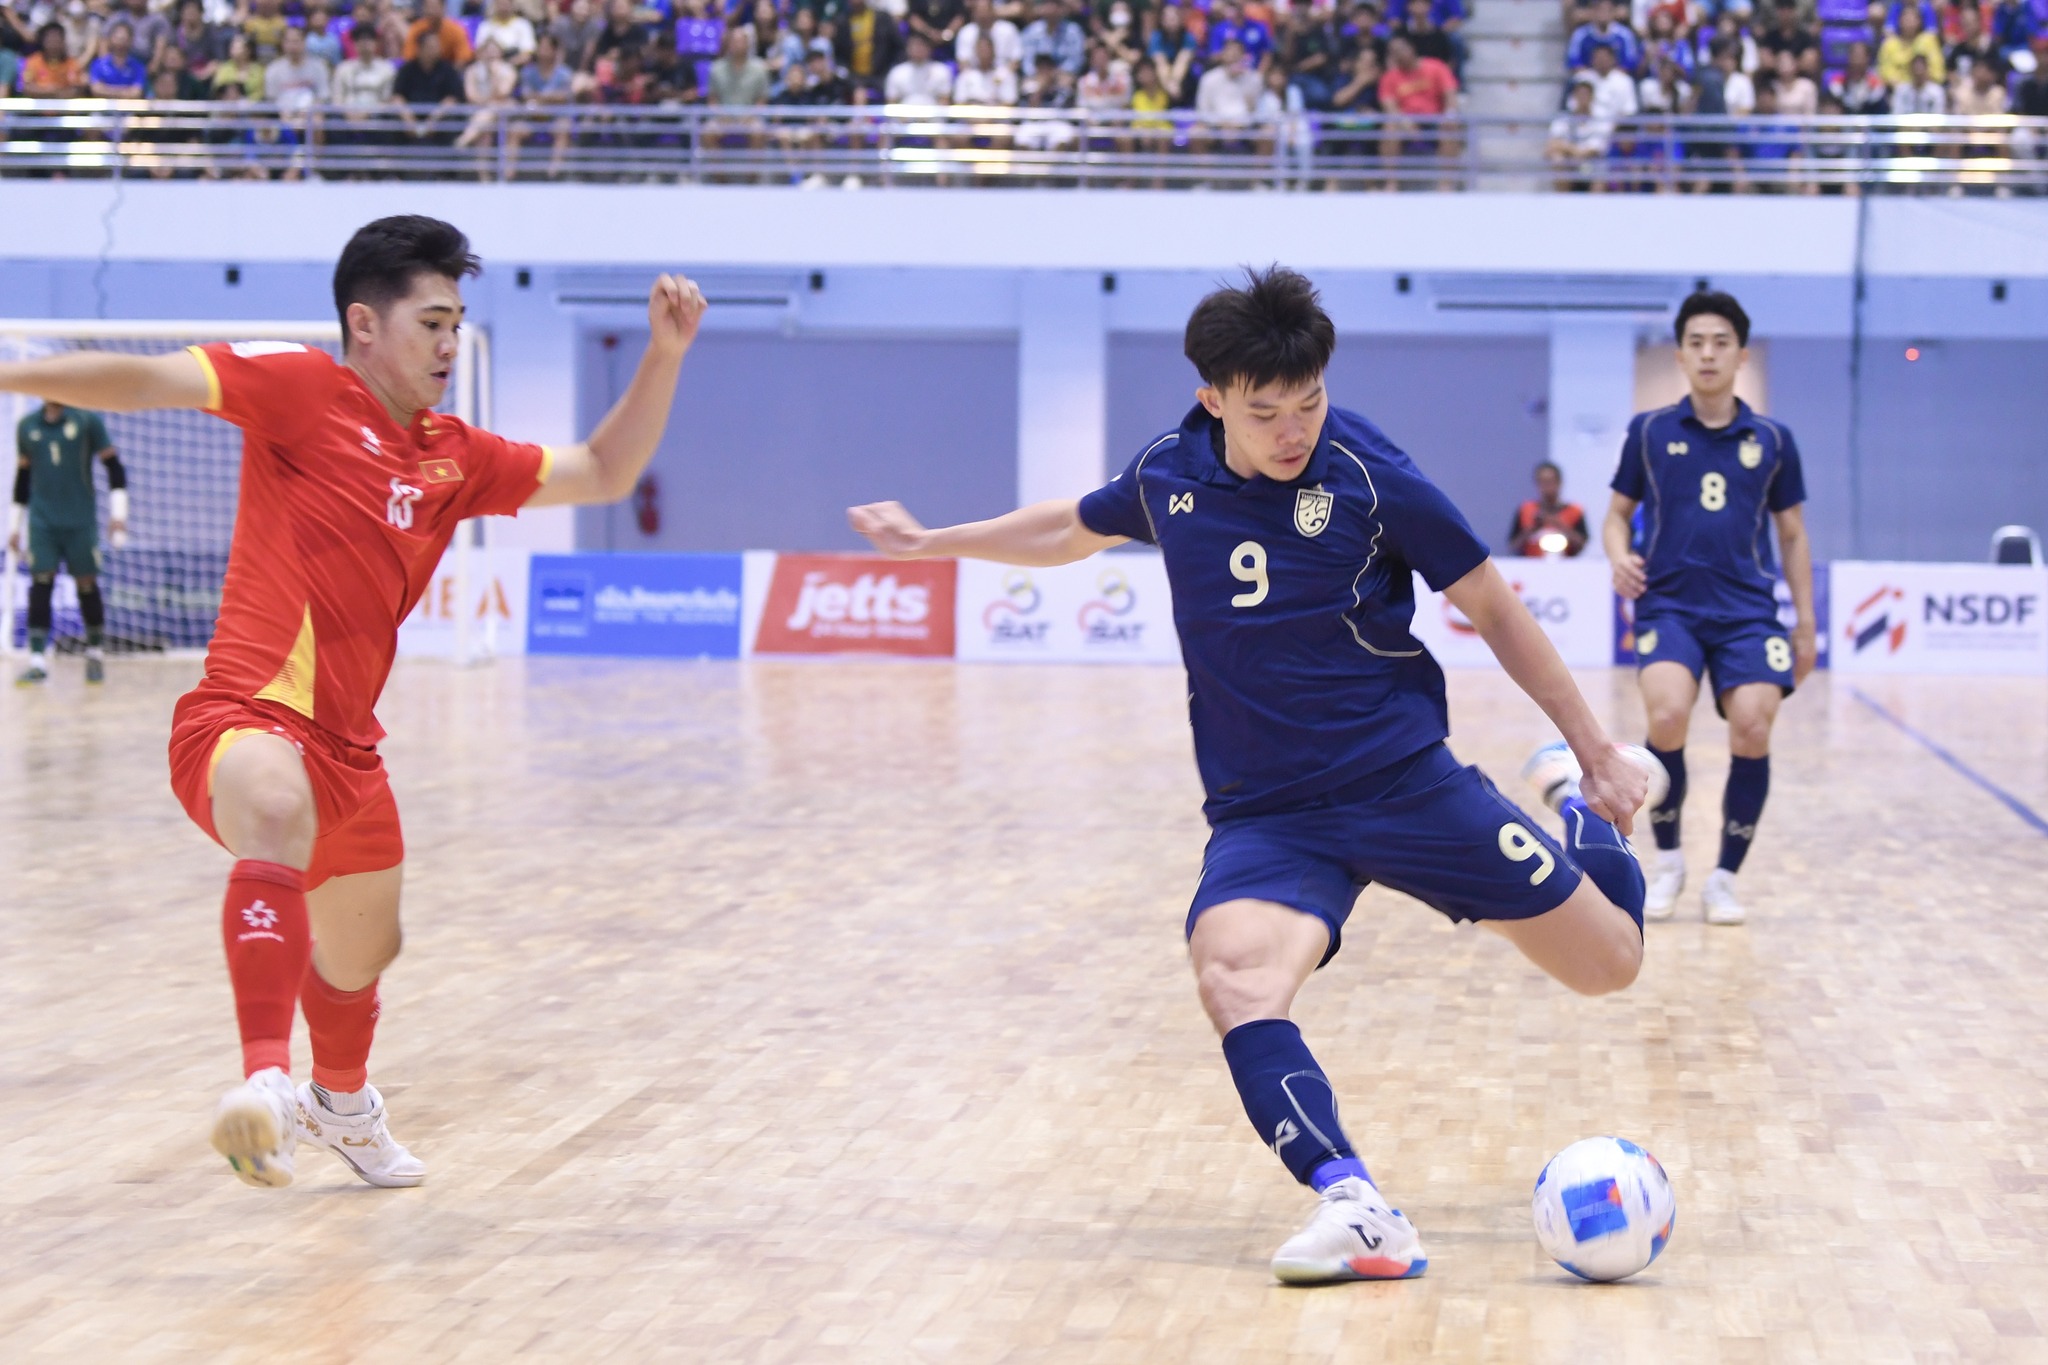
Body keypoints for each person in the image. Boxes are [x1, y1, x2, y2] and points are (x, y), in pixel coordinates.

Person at [848, 268, 1655, 1284]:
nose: (1292, 431)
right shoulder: (1169, 474)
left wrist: (1593, 749)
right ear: (1212, 398)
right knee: (1232, 975)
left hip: (1403, 781)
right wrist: (934, 543)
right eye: (1265, 410)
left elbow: (1490, 607)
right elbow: (1069, 527)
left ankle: (1585, 822)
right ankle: (1356, 1206)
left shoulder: (1369, 474)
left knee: (1610, 965)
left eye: (1308, 402)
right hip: (1268, 815)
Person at [0, 217, 708, 1191]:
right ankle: (265, 1086)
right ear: (364, 324)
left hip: (350, 753)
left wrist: (665, 357)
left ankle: (343, 1104)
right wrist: (9, 373)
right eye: (433, 323)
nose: (451, 345)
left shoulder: (454, 457)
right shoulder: (299, 388)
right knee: (277, 815)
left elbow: (602, 472)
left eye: (458, 325)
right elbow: (149, 379)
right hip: (240, 718)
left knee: (365, 951)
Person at [1603, 290, 1814, 926]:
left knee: (1752, 724)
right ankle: (1668, 862)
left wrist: (1805, 624)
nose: (1708, 353)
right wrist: (1617, 556)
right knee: (1666, 715)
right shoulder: (1649, 432)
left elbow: (1794, 535)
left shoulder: (1774, 440)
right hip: (1670, 605)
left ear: (1741, 355)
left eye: (1721, 342)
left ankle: (1724, 877)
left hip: (1749, 612)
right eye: (1696, 342)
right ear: (1681, 355)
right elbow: (1615, 516)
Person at [9, 401, 128, 686]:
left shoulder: (87, 421)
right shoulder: (27, 426)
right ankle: (37, 661)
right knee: (40, 583)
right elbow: (23, 478)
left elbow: (113, 466)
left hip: (80, 522)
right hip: (42, 522)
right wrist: (15, 526)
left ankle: (95, 653)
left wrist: (119, 514)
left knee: (86, 584)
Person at [1510, 461, 1589, 554]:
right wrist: (1534, 528)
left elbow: (1582, 544)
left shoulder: (1574, 511)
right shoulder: (1526, 510)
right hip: (1531, 564)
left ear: (1559, 482)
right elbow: (1513, 545)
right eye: (1542, 482)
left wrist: (1559, 525)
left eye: (1550, 481)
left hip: (1566, 565)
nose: (1546, 486)